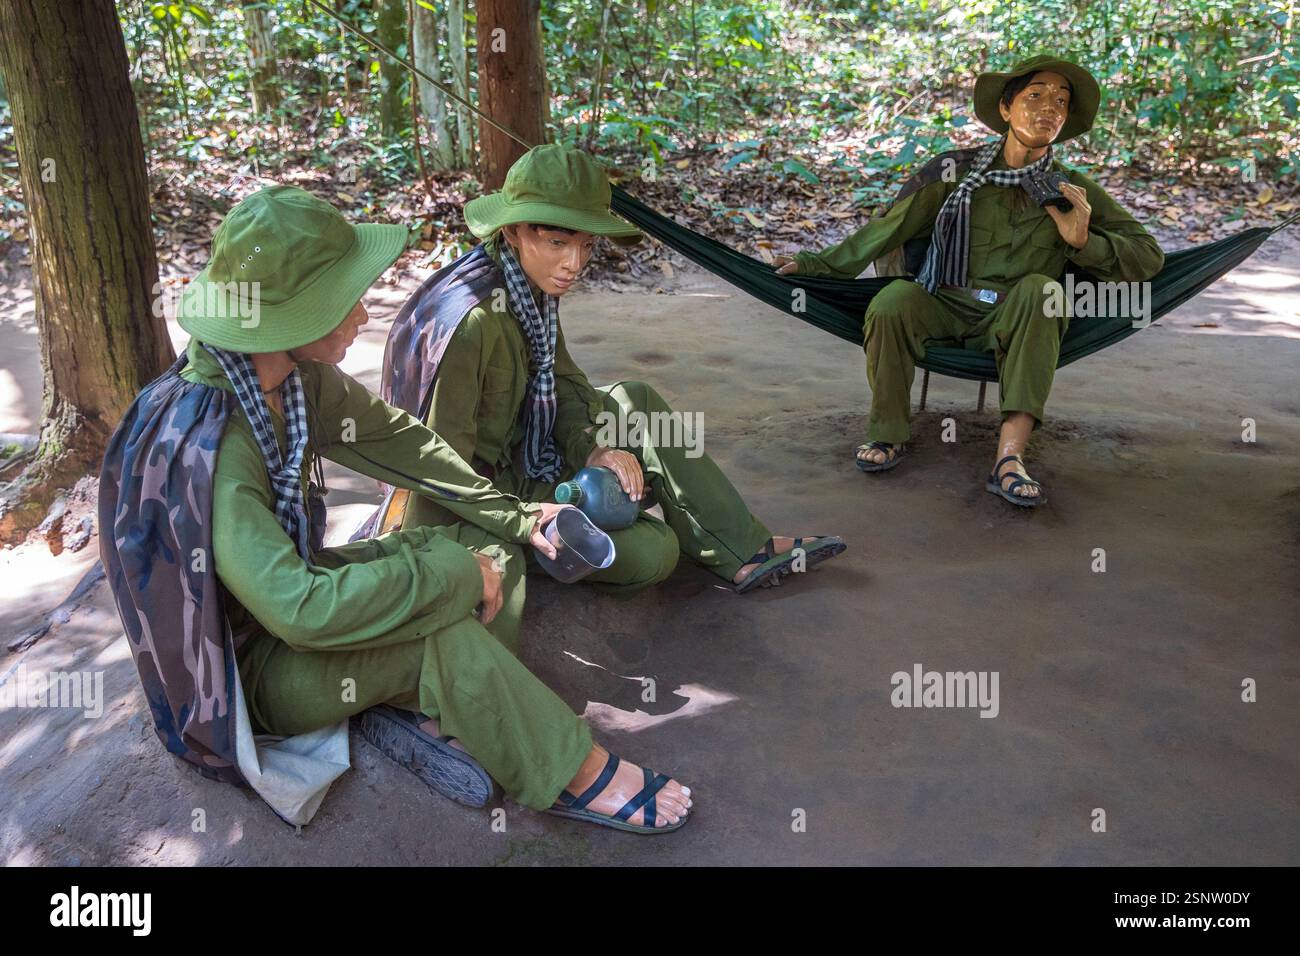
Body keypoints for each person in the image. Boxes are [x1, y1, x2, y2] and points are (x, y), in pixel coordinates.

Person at [100, 185, 691, 833]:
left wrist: (521, 520)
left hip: (288, 607)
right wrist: (457, 577)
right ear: (293, 317)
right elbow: (300, 611)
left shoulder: (286, 382)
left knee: (439, 562)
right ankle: (570, 772)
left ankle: (416, 711)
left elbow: (407, 448)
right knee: (447, 631)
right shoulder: (223, 445)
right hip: (246, 675)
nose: (362, 310)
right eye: (345, 297)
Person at [370, 144, 845, 593]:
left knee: (633, 401)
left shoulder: (523, 285)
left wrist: (593, 449)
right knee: (655, 550)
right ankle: (567, 546)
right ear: (513, 232)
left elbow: (564, 382)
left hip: (527, 449)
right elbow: (443, 476)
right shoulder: (474, 320)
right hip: (485, 498)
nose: (574, 264)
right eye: (557, 242)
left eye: (587, 247)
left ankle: (743, 550)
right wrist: (533, 515)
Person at [774, 55, 1164, 507]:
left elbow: (1148, 257)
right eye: (1034, 95)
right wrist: (817, 266)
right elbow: (889, 229)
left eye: (1060, 101)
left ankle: (1010, 460)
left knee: (1045, 292)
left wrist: (1082, 240)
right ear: (1005, 108)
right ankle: (887, 435)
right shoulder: (955, 172)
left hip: (1014, 317)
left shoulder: (1072, 190)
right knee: (892, 301)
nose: (1049, 108)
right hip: (945, 300)